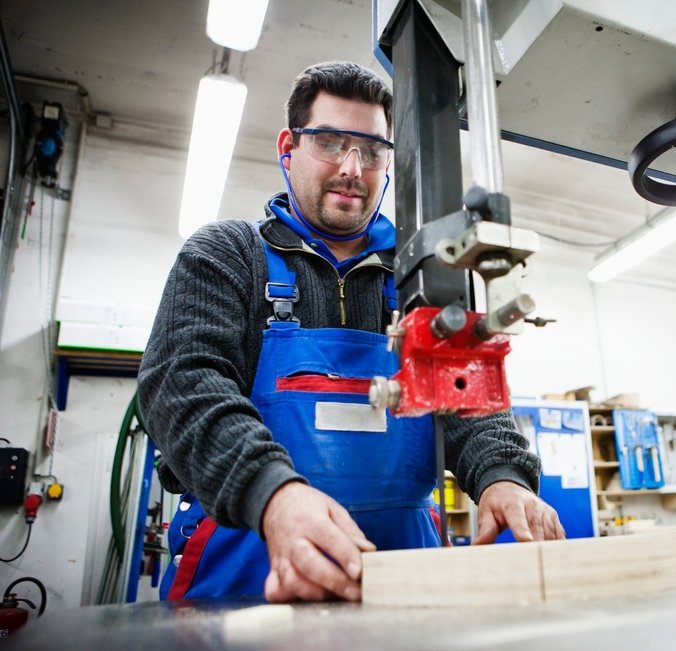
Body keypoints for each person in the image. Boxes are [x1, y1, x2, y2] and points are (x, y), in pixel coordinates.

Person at [137, 60, 564, 603]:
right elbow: (182, 386)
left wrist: (503, 475)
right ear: (288, 147)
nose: (352, 167)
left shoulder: (423, 278)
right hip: (247, 579)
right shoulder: (227, 254)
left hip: (405, 587)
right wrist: (275, 497)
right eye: (331, 142)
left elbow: (467, 401)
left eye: (373, 150)